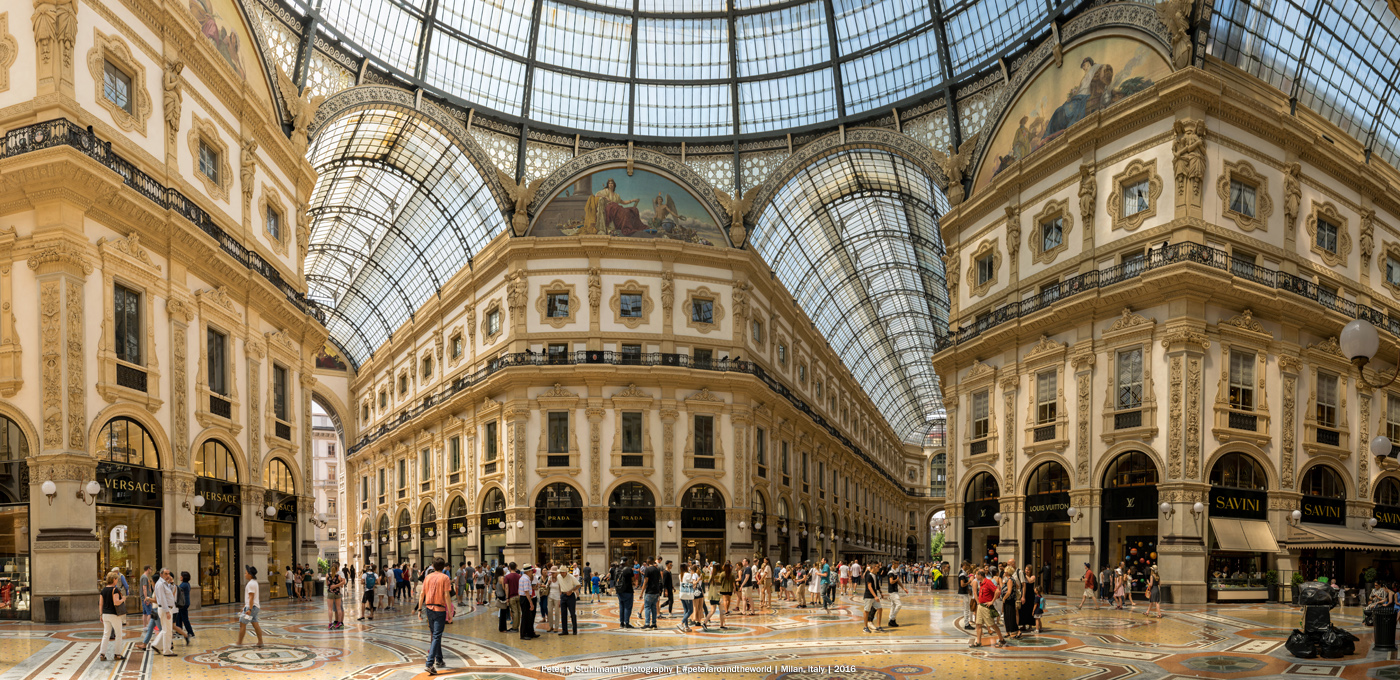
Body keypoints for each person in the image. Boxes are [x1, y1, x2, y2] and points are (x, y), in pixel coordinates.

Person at [417, 558, 453, 675]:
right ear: (443, 567)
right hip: (439, 610)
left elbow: (422, 593)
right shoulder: (445, 578)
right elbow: (447, 595)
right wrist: (450, 613)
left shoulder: (427, 577)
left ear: (433, 565)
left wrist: (419, 609)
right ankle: (429, 663)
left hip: (428, 609)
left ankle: (440, 659)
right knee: (437, 636)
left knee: (434, 635)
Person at [972, 567, 1007, 648]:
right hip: (981, 606)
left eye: (976, 574)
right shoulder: (981, 583)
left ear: (980, 575)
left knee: (992, 625)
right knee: (978, 624)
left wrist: (992, 601)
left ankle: (1001, 639)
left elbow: (997, 591)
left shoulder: (988, 582)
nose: (975, 576)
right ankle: (978, 642)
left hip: (986, 607)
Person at [98, 573, 126, 662]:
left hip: (105, 614)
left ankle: (102, 654)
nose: (117, 580)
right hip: (114, 615)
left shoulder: (103, 590)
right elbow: (116, 602)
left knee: (106, 634)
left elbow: (100, 604)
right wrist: (123, 599)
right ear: (114, 579)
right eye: (116, 579)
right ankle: (117, 654)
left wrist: (100, 614)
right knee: (118, 634)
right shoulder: (115, 590)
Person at [236, 565, 265, 648]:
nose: (245, 574)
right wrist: (244, 607)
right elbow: (250, 598)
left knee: (242, 623)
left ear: (250, 574)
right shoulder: (254, 582)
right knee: (255, 623)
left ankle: (239, 643)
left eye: (246, 573)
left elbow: (251, 597)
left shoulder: (251, 584)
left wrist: (249, 609)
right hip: (254, 607)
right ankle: (260, 642)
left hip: (252, 608)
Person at [861, 561, 883, 634]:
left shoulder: (875, 574)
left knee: (880, 609)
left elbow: (876, 585)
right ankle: (865, 627)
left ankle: (879, 626)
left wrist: (880, 592)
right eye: (878, 567)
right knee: (866, 611)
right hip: (869, 596)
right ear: (873, 567)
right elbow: (869, 587)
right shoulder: (868, 575)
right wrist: (875, 596)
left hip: (874, 596)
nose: (879, 568)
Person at [518, 564, 538, 640]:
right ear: (529, 571)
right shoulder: (526, 579)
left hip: (523, 598)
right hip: (525, 598)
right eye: (531, 571)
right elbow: (526, 591)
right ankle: (523, 634)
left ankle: (529, 632)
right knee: (525, 616)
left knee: (528, 616)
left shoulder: (522, 578)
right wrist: (530, 602)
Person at [557, 566, 579, 635]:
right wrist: (560, 595)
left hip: (570, 596)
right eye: (560, 572)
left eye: (563, 572)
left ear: (566, 572)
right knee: (563, 614)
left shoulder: (571, 577)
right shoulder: (559, 577)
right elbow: (560, 585)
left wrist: (571, 591)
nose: (561, 573)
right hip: (563, 596)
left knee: (572, 613)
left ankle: (574, 630)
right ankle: (564, 631)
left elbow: (578, 585)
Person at [174, 571, 194, 644]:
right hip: (184, 603)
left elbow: (177, 589)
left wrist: (173, 584)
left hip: (183, 604)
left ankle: (190, 632)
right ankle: (179, 631)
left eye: (181, 576)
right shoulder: (186, 584)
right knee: (179, 617)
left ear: (184, 577)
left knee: (185, 618)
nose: (180, 577)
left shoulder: (184, 584)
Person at [676, 563, 697, 632]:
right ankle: (681, 623)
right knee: (690, 610)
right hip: (687, 594)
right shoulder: (688, 575)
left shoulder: (680, 575)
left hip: (682, 594)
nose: (689, 567)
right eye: (688, 566)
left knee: (686, 610)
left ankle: (686, 626)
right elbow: (691, 583)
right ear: (686, 567)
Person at [641, 558, 661, 629]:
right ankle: (654, 624)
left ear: (648, 561)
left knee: (647, 607)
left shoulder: (648, 569)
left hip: (649, 591)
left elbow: (645, 582)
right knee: (653, 608)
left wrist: (641, 592)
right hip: (656, 591)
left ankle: (647, 624)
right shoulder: (657, 569)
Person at [616, 560, 636, 628]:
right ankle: (627, 623)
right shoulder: (628, 569)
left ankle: (621, 623)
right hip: (627, 590)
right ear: (626, 562)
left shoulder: (617, 569)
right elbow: (633, 579)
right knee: (627, 607)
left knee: (621, 607)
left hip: (619, 590)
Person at [716, 562, 735, 630]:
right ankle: (727, 610)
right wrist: (734, 588)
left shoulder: (722, 574)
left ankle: (726, 610)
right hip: (730, 589)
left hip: (723, 588)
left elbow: (719, 581)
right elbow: (733, 581)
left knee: (724, 599)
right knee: (728, 600)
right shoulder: (731, 574)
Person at [886, 561, 904, 627]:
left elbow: (898, 581)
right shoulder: (891, 572)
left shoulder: (894, 571)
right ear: (893, 564)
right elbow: (891, 581)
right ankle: (892, 619)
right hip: (892, 591)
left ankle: (891, 620)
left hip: (894, 590)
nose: (898, 564)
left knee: (893, 606)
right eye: (897, 563)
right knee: (899, 605)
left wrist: (903, 588)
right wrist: (896, 580)